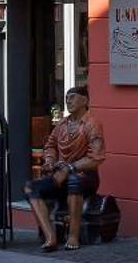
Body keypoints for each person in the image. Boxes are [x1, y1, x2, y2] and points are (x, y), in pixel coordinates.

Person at [25, 85, 105, 254]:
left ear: (85, 100)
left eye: (73, 97)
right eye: (67, 98)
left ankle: (73, 235)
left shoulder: (92, 124)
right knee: (31, 187)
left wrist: (70, 168)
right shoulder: (62, 124)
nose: (68, 101)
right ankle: (50, 236)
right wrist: (49, 161)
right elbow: (50, 146)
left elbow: (96, 158)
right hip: (60, 174)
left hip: (85, 176)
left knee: (74, 181)